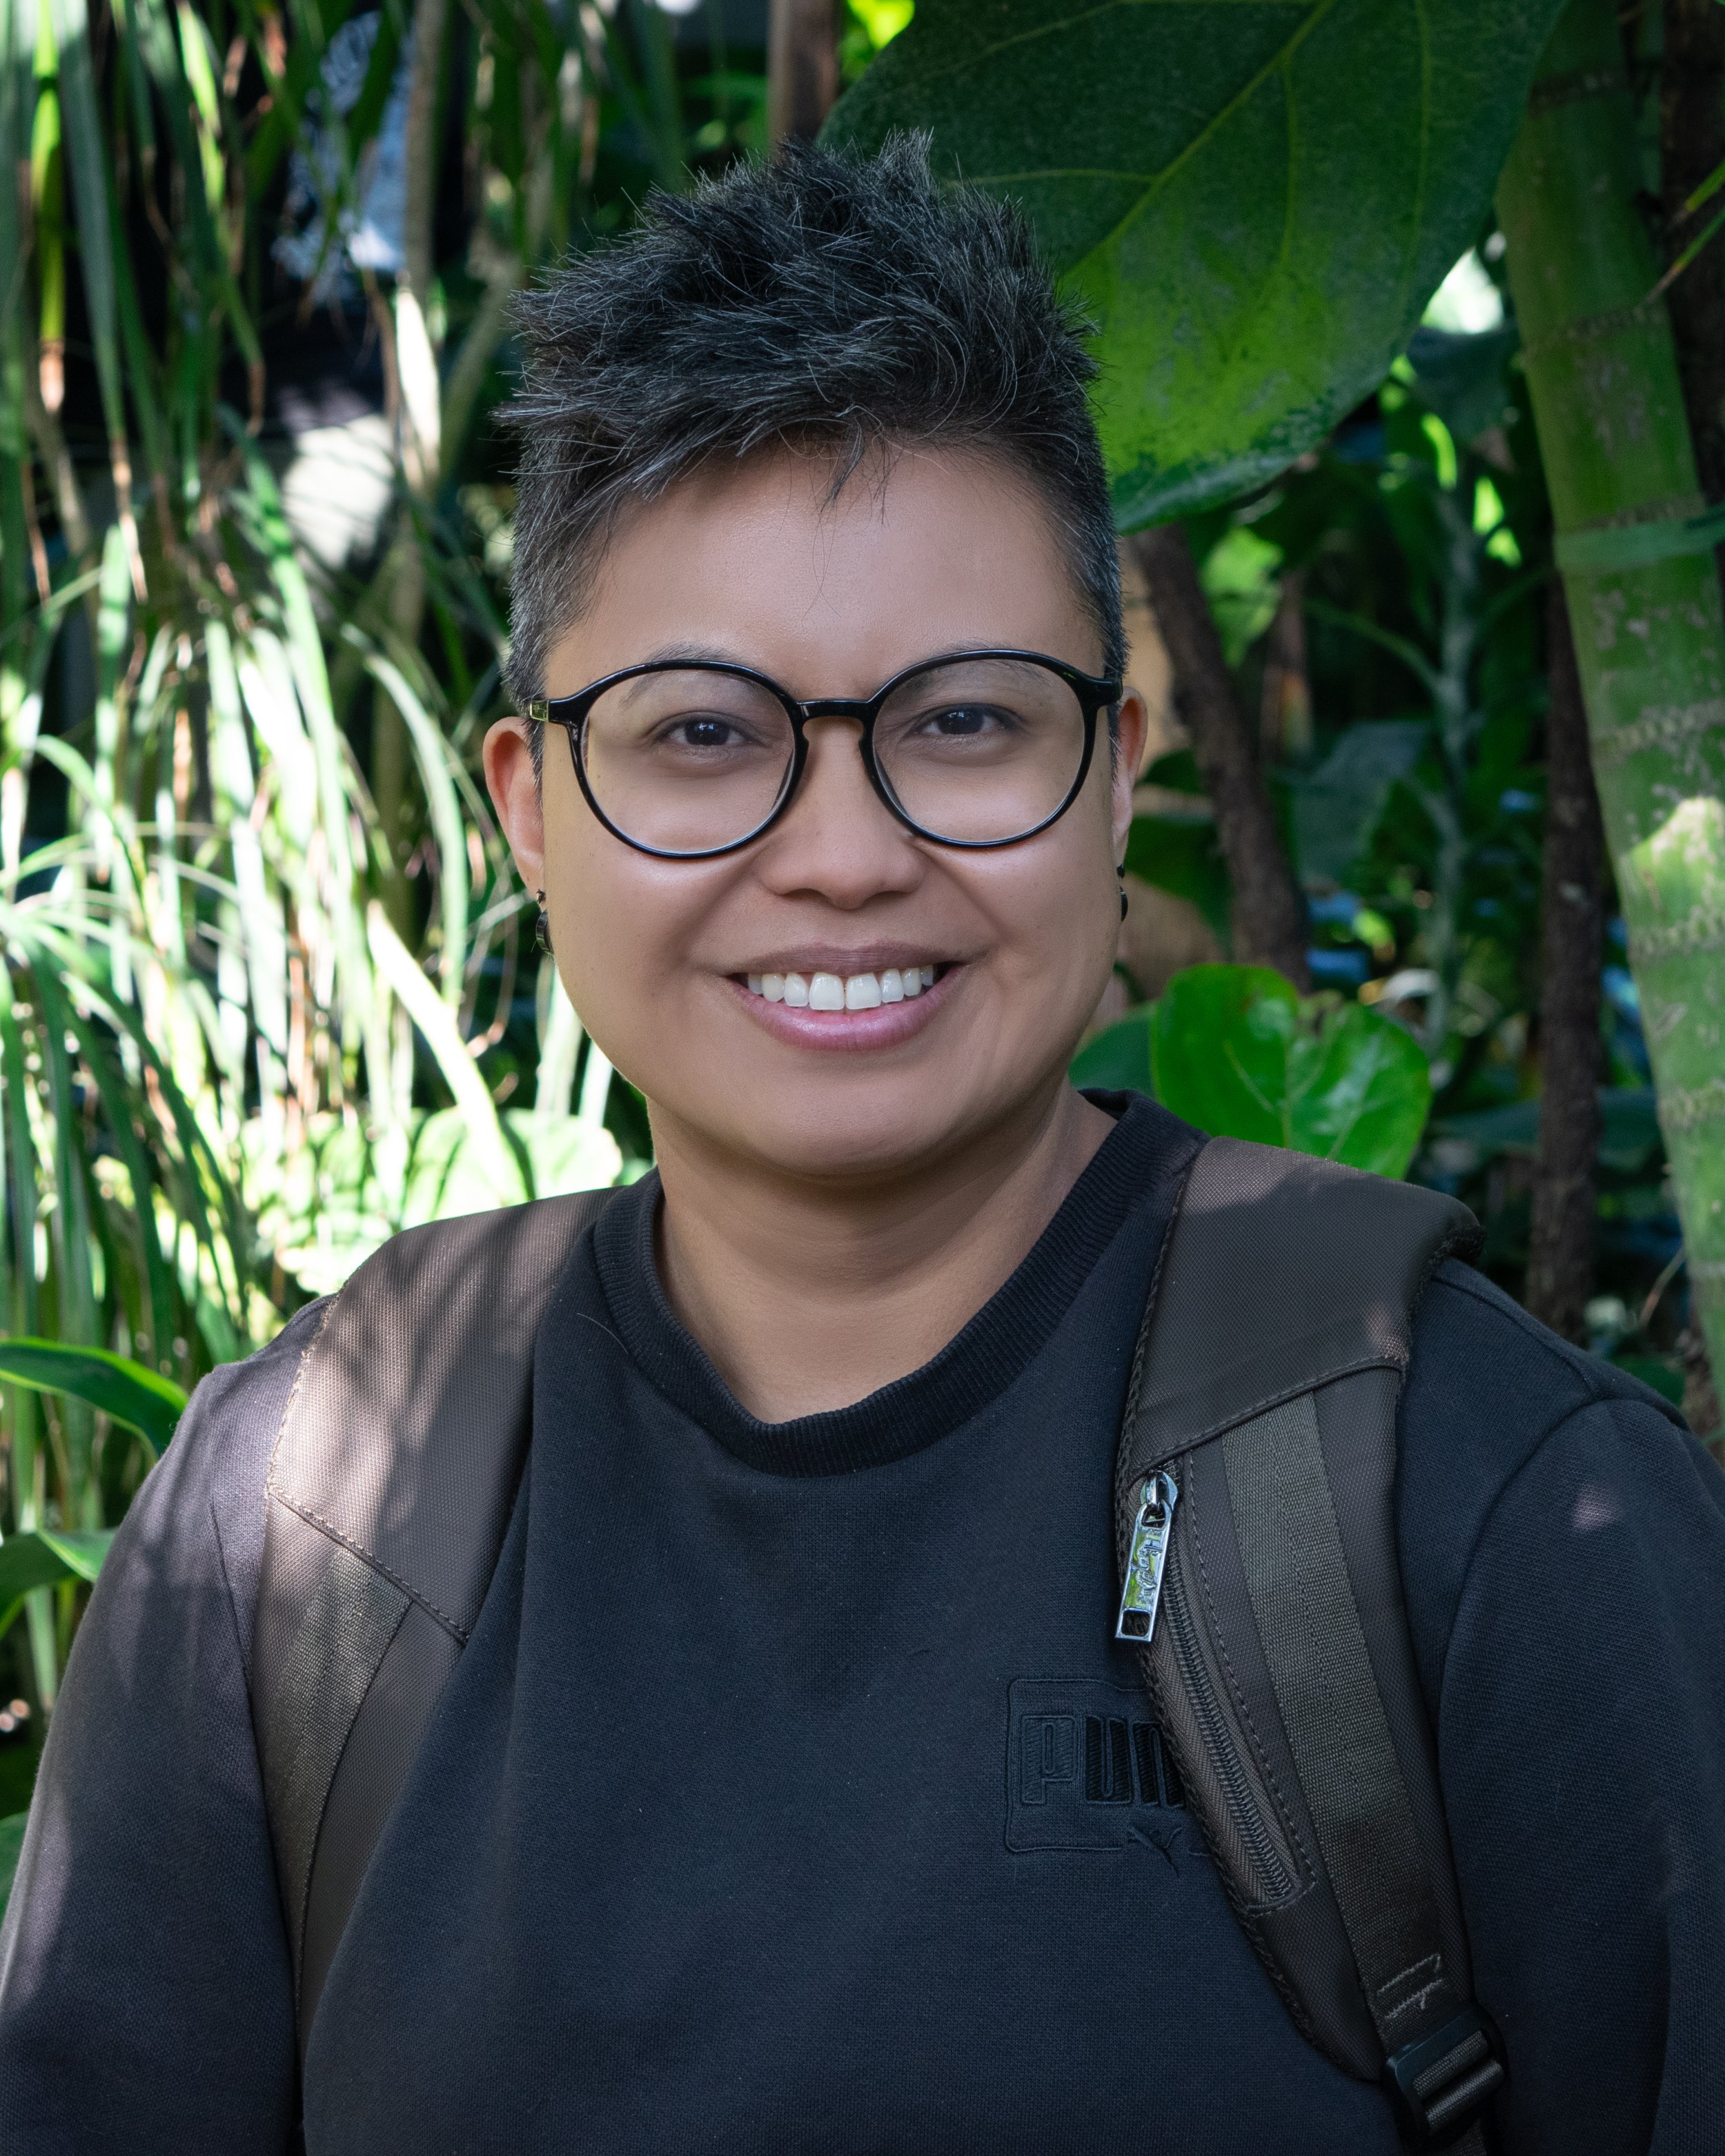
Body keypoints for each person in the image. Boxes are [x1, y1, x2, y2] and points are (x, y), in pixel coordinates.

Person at [1, 139, 1722, 2156]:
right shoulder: (309, 1520)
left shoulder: (1483, 1506)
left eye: (965, 724)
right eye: (702, 734)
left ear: (1112, 779)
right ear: (531, 808)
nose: (839, 856)